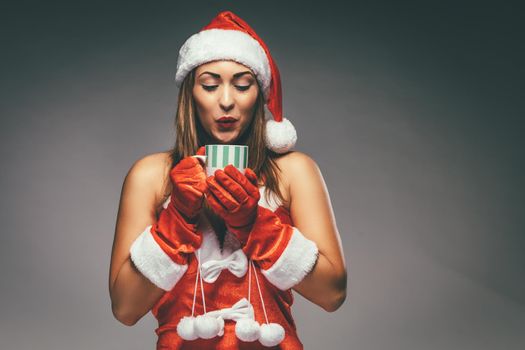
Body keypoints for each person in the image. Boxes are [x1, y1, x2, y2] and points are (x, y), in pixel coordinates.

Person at [109, 10, 346, 350]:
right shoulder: (150, 176)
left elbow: (332, 294)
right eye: (209, 84)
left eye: (242, 84)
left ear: (258, 94)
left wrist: (254, 225)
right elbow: (125, 308)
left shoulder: (294, 172)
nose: (226, 100)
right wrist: (177, 218)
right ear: (190, 93)